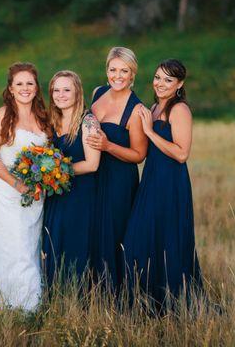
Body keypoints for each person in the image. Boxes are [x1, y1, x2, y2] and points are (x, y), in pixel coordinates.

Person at [123, 59, 203, 311]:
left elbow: (181, 154)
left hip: (171, 183)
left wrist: (149, 131)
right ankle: (147, 302)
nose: (160, 83)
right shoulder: (154, 107)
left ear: (180, 84)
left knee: (167, 240)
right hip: (151, 179)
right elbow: (144, 151)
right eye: (158, 77)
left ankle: (173, 303)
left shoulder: (179, 110)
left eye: (168, 79)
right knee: (140, 239)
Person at [0, 62, 51, 311]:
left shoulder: (43, 118)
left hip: (35, 196)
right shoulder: (2, 116)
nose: (25, 88)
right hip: (5, 194)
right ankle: (4, 303)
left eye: (30, 83)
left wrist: (46, 178)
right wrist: (19, 185)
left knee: (30, 246)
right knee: (10, 245)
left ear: (36, 87)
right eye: (19, 84)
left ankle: (30, 303)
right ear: (10, 88)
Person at [86, 47, 147, 291]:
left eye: (125, 71)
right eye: (113, 69)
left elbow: (139, 155)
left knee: (113, 233)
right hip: (92, 174)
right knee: (92, 230)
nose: (118, 76)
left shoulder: (136, 109)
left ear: (133, 75)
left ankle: (113, 292)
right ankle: (88, 288)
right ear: (107, 70)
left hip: (119, 179)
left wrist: (108, 145)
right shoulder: (97, 93)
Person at [42, 70, 100, 286]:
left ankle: (77, 297)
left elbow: (92, 164)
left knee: (75, 244)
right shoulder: (51, 122)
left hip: (79, 194)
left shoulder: (88, 121)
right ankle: (54, 295)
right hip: (55, 194)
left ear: (77, 92)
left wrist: (57, 172)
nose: (61, 95)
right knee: (54, 242)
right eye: (56, 90)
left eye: (67, 90)